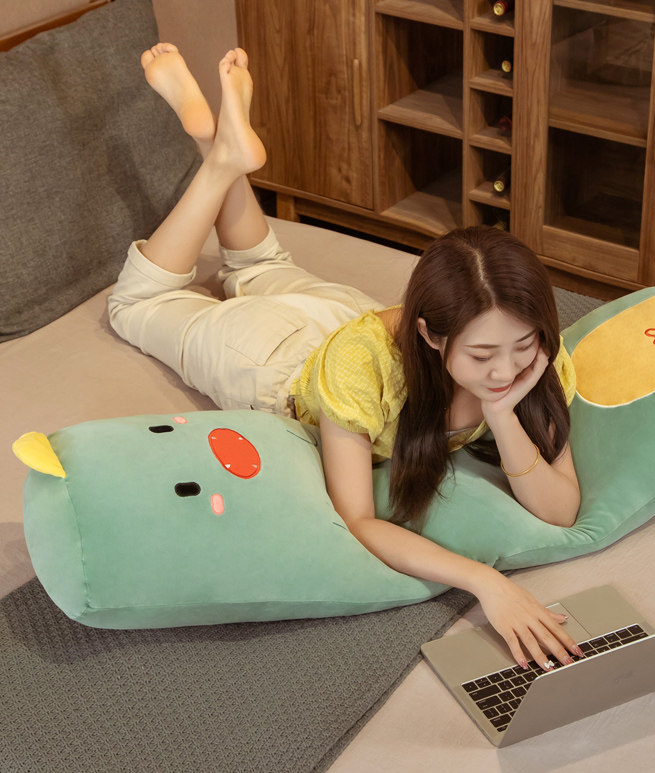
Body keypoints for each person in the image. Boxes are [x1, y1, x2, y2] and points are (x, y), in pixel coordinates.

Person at [109, 44, 584, 671]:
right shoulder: (363, 371)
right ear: (432, 335)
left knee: (261, 264)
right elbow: (357, 519)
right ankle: (220, 157)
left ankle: (215, 141)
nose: (507, 370)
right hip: (277, 357)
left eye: (522, 347)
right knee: (135, 304)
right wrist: (486, 582)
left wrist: (501, 415)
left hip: (348, 315)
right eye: (483, 354)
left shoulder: (536, 356)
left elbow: (561, 510)